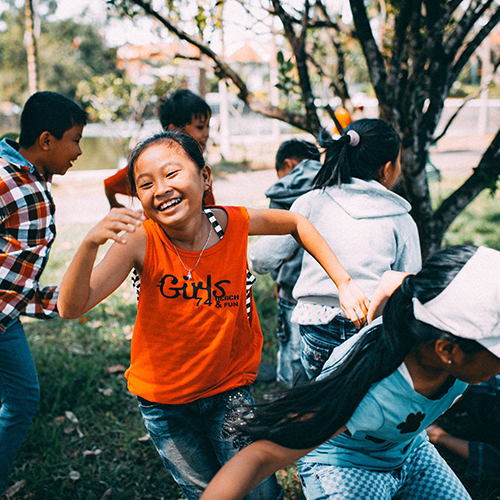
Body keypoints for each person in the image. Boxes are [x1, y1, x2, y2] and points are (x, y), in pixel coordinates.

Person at [57, 131, 369, 500]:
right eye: (146, 183)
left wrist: (344, 281)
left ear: (205, 178)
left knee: (259, 491)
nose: (161, 189)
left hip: (228, 392)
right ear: (137, 196)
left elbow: (297, 224)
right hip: (164, 404)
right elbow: (71, 307)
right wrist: (90, 244)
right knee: (207, 492)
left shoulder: (233, 223)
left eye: (172, 174)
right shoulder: (141, 240)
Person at [200, 244, 500, 500]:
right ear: (448, 350)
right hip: (344, 464)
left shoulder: (423, 302)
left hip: (407, 448)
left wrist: (375, 321)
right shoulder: (366, 393)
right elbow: (260, 456)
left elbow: (394, 280)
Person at [250, 118, 421, 381]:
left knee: (320, 397)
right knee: (355, 401)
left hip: (315, 329)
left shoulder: (310, 203)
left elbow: (260, 258)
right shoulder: (400, 218)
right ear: (387, 168)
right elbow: (408, 283)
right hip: (369, 329)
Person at [0, 91, 87, 491]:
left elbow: (17, 269)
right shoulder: (4, 176)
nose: (80, 151)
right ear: (47, 140)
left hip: (7, 318)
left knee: (22, 399)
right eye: (75, 139)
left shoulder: (35, 176)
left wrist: (62, 299)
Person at [257, 139, 321, 387]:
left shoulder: (286, 191)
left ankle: (289, 405)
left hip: (292, 289)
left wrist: (277, 280)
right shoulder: (335, 184)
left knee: (292, 357)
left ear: (287, 164)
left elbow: (274, 250)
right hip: (330, 291)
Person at [104, 89, 215, 209]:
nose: (206, 133)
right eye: (200, 127)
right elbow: (110, 184)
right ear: (175, 130)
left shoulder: (197, 163)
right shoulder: (151, 162)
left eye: (207, 126)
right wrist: (115, 205)